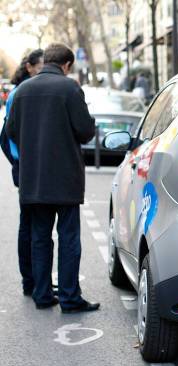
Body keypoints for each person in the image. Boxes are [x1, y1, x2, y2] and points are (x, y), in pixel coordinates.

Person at [6, 43, 99, 313]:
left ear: (46, 60)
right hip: (65, 178)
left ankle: (42, 294)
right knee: (69, 238)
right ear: (67, 65)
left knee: (39, 237)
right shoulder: (70, 89)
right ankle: (70, 298)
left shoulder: (22, 90)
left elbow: (11, 131)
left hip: (33, 178)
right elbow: (84, 131)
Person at [0, 49, 44, 297]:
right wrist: (20, 160)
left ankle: (35, 280)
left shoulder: (27, 90)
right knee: (29, 224)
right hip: (26, 165)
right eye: (41, 66)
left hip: (27, 164)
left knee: (31, 223)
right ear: (29, 67)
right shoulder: (20, 93)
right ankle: (31, 280)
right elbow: (9, 134)